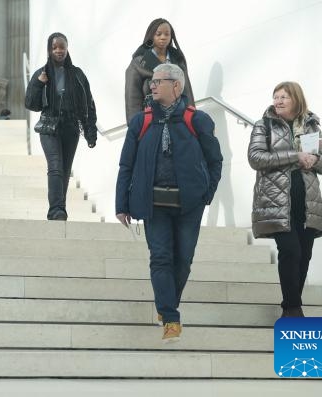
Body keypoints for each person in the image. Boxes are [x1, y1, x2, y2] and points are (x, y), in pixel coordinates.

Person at [115, 63, 222, 343]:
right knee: (160, 258)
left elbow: (215, 160)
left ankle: (167, 303)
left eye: (158, 81)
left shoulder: (197, 120)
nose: (152, 86)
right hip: (152, 203)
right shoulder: (141, 121)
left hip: (189, 204)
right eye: (152, 81)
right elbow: (126, 164)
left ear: (176, 86)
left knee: (183, 259)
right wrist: (121, 203)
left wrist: (206, 193)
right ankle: (170, 318)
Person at [248, 81, 322, 318]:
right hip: (276, 199)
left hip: (307, 199)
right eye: (276, 96)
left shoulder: (312, 126)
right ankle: (292, 308)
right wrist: (295, 155)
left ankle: (293, 305)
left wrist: (314, 160)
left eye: (284, 96)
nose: (278, 101)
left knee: (305, 253)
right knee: (290, 250)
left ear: (296, 99)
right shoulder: (264, 125)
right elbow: (256, 158)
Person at [24, 32, 98, 220]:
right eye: (54, 47)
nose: (58, 50)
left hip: (70, 126)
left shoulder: (77, 74)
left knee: (65, 170)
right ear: (49, 50)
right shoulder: (42, 73)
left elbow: (88, 103)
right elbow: (31, 103)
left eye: (62, 47)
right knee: (55, 166)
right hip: (50, 126)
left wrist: (90, 131)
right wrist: (39, 84)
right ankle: (56, 209)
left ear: (67, 49)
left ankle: (60, 209)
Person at [125, 18, 195, 122]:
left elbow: (187, 92)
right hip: (152, 123)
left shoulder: (178, 60)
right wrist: (135, 127)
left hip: (179, 121)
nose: (163, 37)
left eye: (167, 34)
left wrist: (193, 119)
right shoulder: (138, 64)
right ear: (151, 35)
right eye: (158, 34)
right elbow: (132, 100)